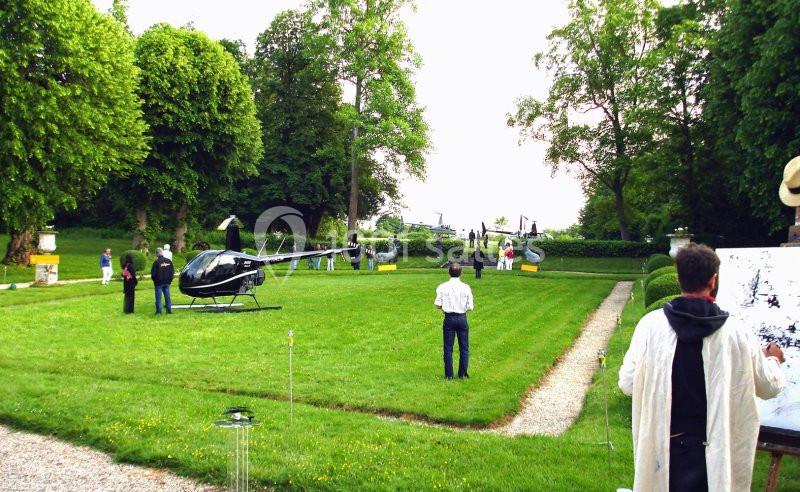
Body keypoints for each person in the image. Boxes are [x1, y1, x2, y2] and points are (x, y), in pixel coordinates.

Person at [619, 243, 784, 492]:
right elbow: (769, 387)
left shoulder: (650, 327)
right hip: (715, 455)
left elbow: (628, 383)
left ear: (678, 277)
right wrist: (773, 360)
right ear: (713, 279)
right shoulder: (737, 333)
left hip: (667, 451)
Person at [434, 263, 474, 379]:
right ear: (461, 273)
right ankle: (462, 374)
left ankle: (449, 375)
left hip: (449, 318)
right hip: (462, 318)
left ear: (449, 273)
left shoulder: (442, 287)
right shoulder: (466, 287)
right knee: (464, 347)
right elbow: (470, 306)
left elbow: (437, 304)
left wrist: (446, 307)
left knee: (448, 347)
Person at [151, 247, 175, 315]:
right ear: (162, 252)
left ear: (156, 254)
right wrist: (170, 280)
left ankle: (158, 312)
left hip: (159, 283)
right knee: (167, 296)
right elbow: (172, 272)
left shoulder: (156, 262)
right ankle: (169, 310)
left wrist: (155, 281)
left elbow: (153, 274)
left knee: (158, 298)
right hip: (167, 282)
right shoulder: (169, 261)